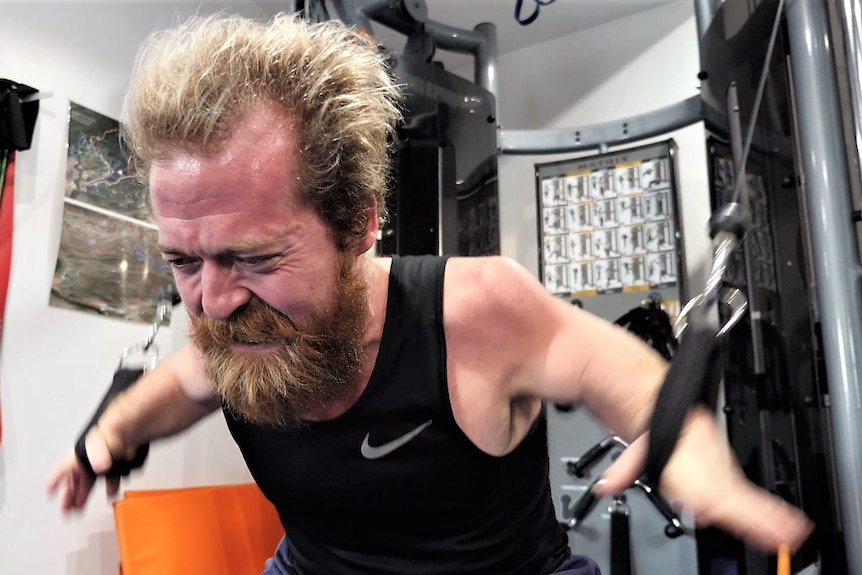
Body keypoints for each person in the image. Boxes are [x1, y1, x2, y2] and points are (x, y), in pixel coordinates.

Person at [47, 13, 812, 575]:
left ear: (360, 228)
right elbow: (178, 385)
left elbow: (618, 369)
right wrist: (106, 439)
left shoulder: (474, 311)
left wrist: (692, 449)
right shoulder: (238, 330)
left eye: (251, 256)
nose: (210, 300)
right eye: (184, 259)